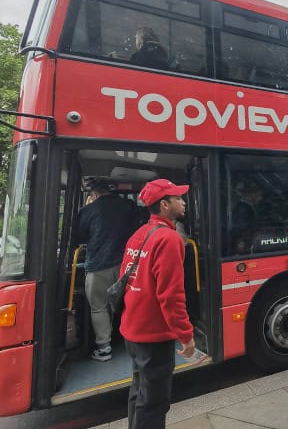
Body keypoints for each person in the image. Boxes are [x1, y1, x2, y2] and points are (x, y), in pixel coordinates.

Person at [119, 178, 200, 429]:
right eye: (178, 198)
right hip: (153, 336)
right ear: (164, 205)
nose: (183, 202)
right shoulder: (169, 239)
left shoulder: (139, 234)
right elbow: (171, 296)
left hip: (132, 330)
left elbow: (124, 278)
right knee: (154, 403)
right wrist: (186, 336)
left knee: (139, 393)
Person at [76, 181, 136, 362]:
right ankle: (133, 338)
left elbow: (80, 236)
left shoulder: (89, 210)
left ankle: (104, 348)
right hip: (126, 264)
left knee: (99, 306)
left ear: (94, 194)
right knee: (128, 302)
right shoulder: (129, 206)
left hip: (98, 265)